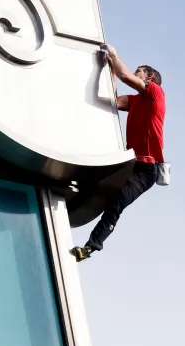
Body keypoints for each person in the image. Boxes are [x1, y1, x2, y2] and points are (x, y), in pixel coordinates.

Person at [71, 46, 166, 261]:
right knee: (97, 180)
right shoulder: (134, 101)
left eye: (138, 71)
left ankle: (91, 247)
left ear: (149, 76)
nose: (135, 73)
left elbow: (125, 75)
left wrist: (112, 55)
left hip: (146, 171)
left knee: (117, 202)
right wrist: (109, 71)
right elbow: (111, 99)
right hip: (130, 163)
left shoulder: (155, 93)